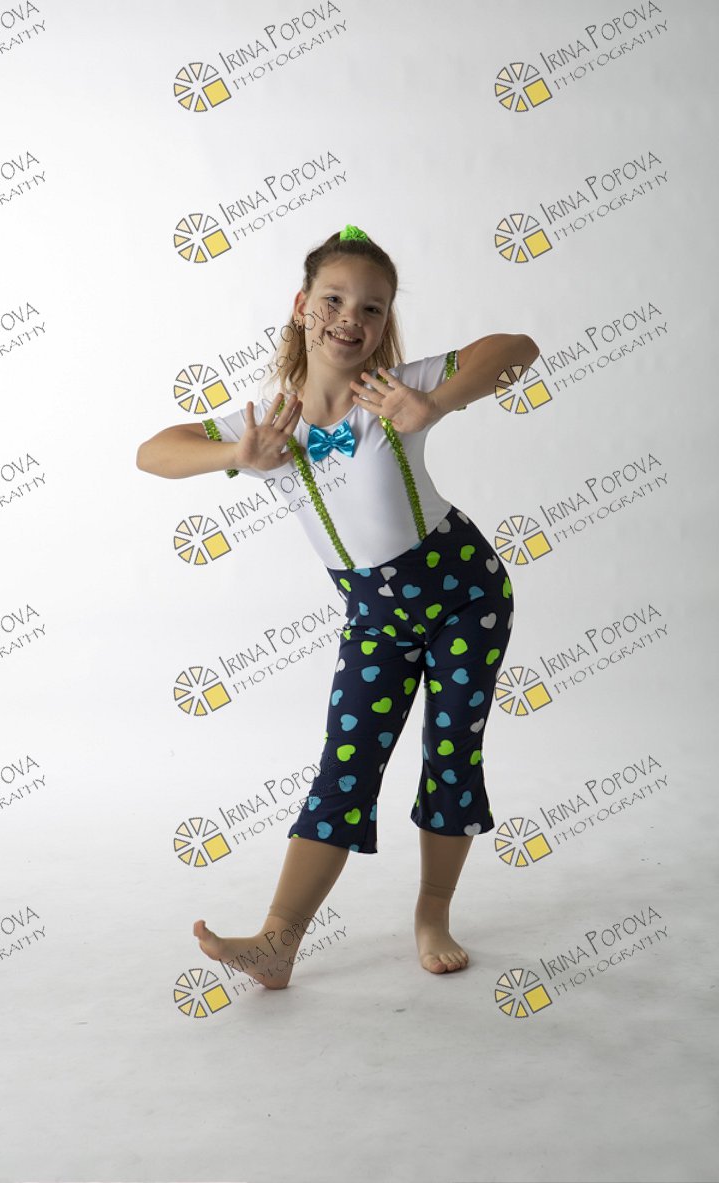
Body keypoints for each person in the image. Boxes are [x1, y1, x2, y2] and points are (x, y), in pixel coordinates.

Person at [136, 223, 539, 988]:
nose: (351, 317)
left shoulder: (395, 392)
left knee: (451, 751)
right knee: (344, 765)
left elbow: (517, 347)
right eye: (334, 299)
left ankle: (432, 913)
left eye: (373, 308)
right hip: (375, 616)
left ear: (385, 325)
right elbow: (152, 451)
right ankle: (277, 943)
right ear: (301, 306)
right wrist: (234, 455)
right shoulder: (267, 423)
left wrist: (434, 403)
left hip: (465, 595)